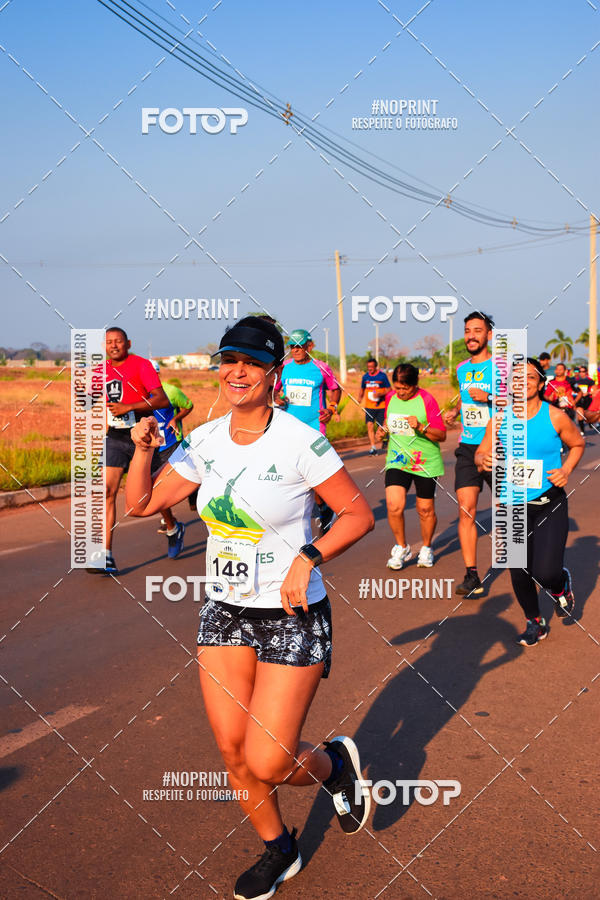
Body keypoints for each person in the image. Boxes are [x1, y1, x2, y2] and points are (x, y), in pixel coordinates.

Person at [125, 316, 374, 900]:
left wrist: (308, 556)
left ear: (274, 373)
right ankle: (279, 848)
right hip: (225, 611)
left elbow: (359, 516)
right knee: (234, 751)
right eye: (228, 359)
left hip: (291, 615)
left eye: (252, 363)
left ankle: (334, 766)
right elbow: (140, 504)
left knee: (270, 759)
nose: (237, 372)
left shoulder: (299, 441)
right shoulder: (204, 441)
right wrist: (142, 451)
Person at [475, 358, 584, 646]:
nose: (522, 383)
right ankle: (535, 621)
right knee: (520, 570)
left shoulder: (555, 416)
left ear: (540, 383)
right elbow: (481, 453)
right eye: (516, 378)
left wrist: (566, 470)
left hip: (549, 502)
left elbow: (577, 444)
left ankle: (560, 586)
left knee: (545, 572)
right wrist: (483, 459)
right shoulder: (499, 418)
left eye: (529, 378)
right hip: (512, 506)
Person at [88, 328, 182, 575]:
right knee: (106, 491)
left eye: (118, 341)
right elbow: (89, 400)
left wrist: (129, 406)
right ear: (104, 345)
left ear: (128, 343)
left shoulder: (141, 365)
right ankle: (105, 555)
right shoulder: (100, 370)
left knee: (149, 493)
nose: (114, 345)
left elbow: (162, 400)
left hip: (142, 436)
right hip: (116, 437)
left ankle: (172, 527)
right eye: (109, 342)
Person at [443, 311, 497, 596]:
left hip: (499, 445)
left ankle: (526, 566)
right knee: (466, 509)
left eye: (477, 330)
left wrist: (489, 397)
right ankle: (472, 576)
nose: (471, 335)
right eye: (467, 330)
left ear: (488, 335)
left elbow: (519, 403)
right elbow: (467, 402)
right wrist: (455, 412)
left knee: (510, 512)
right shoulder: (462, 368)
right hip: (467, 447)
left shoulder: (501, 366)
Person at [376, 363, 446, 569]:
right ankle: (401, 547)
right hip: (398, 459)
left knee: (425, 509)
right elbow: (389, 423)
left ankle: (426, 547)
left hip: (425, 462)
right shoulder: (390, 398)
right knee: (394, 505)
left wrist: (421, 427)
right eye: (396, 388)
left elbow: (441, 435)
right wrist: (383, 431)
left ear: (415, 385)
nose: (399, 393)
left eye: (404, 389)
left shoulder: (427, 400)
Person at [274, 328, 341, 532]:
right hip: (288, 427)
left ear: (309, 346)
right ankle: (291, 516)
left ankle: (324, 507)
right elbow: (274, 391)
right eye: (292, 346)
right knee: (289, 472)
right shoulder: (284, 368)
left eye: (299, 346)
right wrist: (277, 399)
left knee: (314, 474)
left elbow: (336, 389)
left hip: (314, 427)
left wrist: (332, 408)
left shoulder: (321, 368)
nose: (295, 350)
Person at [149, 363, 196, 531]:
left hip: (171, 442)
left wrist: (175, 418)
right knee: (155, 486)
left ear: (157, 374)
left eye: (152, 373)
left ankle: (194, 492)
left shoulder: (171, 391)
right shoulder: (137, 394)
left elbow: (189, 405)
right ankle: (169, 522)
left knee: (184, 477)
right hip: (152, 448)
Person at [358, 358, 391, 454]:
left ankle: (385, 439)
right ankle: (373, 447)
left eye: (372, 367)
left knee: (381, 427)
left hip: (381, 406)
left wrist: (380, 394)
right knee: (369, 425)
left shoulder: (382, 376)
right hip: (369, 406)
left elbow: (389, 390)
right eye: (368, 367)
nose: (370, 369)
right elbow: (362, 389)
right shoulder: (365, 377)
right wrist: (360, 398)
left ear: (376, 367)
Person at [569, 365, 595, 435]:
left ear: (586, 372)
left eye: (583, 371)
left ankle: (590, 422)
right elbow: (571, 389)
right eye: (579, 371)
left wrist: (588, 393)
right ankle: (582, 431)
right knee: (580, 414)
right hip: (579, 400)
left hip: (587, 400)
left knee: (587, 415)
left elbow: (594, 391)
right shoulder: (574, 381)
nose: (581, 373)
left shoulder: (590, 381)